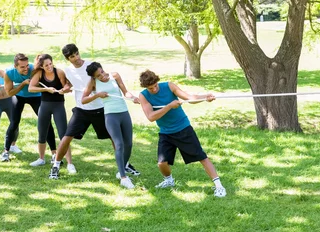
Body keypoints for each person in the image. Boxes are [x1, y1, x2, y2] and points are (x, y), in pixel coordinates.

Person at [49, 44, 139, 179]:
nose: (77, 58)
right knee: (67, 137)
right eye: (72, 56)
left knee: (114, 138)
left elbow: (103, 78)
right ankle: (56, 165)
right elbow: (70, 83)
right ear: (68, 58)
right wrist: (66, 88)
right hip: (82, 109)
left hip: (102, 109)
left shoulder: (92, 65)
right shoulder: (68, 71)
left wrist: (129, 96)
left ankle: (124, 164)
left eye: (77, 54)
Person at [138, 69, 226, 197]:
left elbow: (189, 98)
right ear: (145, 87)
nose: (154, 89)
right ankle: (169, 181)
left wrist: (205, 97)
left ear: (158, 81)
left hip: (183, 128)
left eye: (155, 85)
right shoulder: (143, 95)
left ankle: (219, 186)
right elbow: (151, 117)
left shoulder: (169, 86)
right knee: (162, 163)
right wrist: (169, 106)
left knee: (201, 157)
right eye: (150, 88)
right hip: (165, 132)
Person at [83, 62, 139, 189]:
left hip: (124, 113)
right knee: (119, 145)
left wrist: (133, 98)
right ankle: (124, 178)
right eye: (98, 76)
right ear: (94, 77)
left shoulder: (115, 76)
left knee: (128, 144)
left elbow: (125, 92)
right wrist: (97, 95)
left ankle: (121, 170)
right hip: (111, 115)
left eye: (102, 72)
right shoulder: (93, 83)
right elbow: (83, 99)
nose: (102, 76)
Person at [3, 53, 57, 162]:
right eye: (22, 67)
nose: (26, 68)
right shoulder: (9, 73)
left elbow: (44, 82)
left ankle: (54, 154)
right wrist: (22, 84)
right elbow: (9, 93)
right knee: (14, 123)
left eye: (27, 65)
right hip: (19, 96)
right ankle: (5, 152)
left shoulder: (34, 69)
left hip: (36, 96)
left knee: (46, 122)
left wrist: (33, 84)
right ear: (15, 67)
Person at [28, 54, 74, 168]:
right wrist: (45, 89)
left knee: (63, 134)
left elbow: (66, 87)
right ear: (42, 66)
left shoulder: (59, 72)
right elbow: (31, 88)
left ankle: (70, 164)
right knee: (42, 133)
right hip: (44, 106)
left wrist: (64, 90)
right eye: (46, 65)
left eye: (50, 64)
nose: (49, 67)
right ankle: (41, 159)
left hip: (58, 106)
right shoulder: (39, 74)